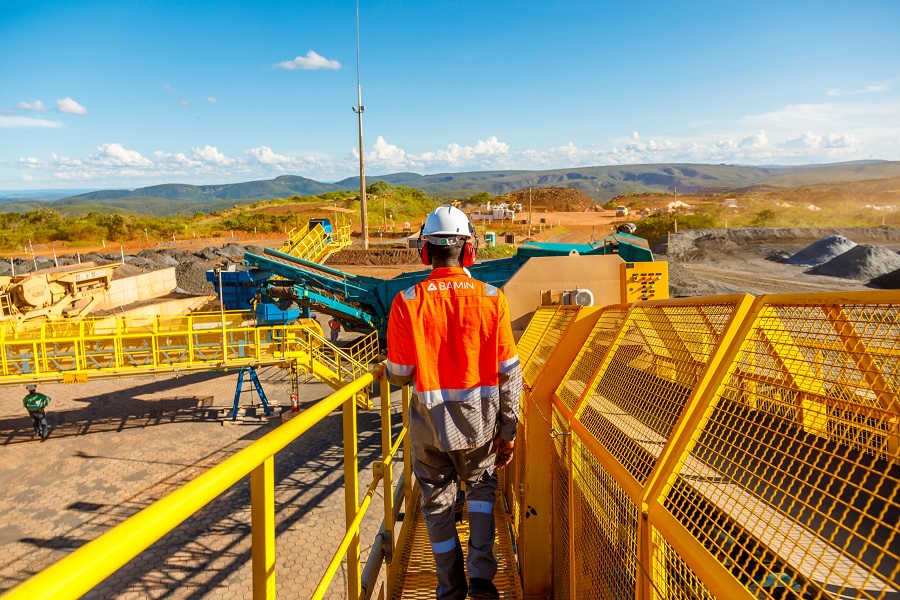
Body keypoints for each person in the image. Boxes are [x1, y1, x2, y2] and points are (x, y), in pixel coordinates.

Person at [385, 205, 522, 600]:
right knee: (480, 493)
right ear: (469, 250)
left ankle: (450, 589)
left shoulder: (407, 301)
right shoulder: (492, 298)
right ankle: (481, 581)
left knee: (438, 507)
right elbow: (509, 372)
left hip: (429, 430)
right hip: (480, 427)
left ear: (426, 251)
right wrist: (508, 430)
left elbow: (399, 374)